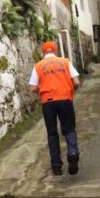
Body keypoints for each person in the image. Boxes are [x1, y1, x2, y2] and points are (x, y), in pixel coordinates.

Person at [29, 41, 80, 176]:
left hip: (48, 103)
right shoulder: (65, 62)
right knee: (69, 129)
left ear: (43, 52)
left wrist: (44, 90)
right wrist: (68, 89)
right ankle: (73, 152)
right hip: (65, 100)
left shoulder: (38, 66)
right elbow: (76, 81)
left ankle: (56, 166)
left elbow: (33, 87)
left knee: (52, 133)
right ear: (55, 51)